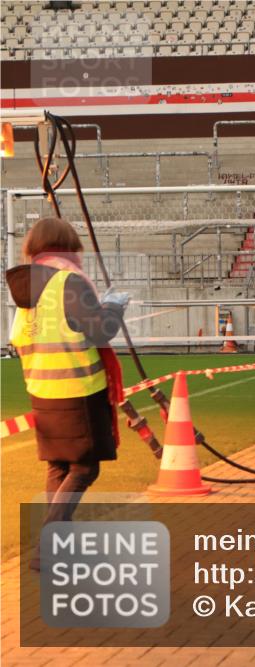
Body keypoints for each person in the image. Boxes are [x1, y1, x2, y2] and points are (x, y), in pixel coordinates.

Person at [5, 218, 128, 566]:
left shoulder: (29, 288)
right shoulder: (67, 282)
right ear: (69, 246)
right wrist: (115, 306)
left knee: (59, 466)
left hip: (42, 391)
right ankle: (49, 543)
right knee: (85, 467)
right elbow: (101, 329)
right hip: (78, 390)